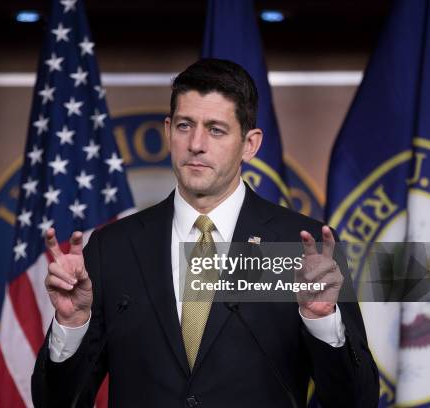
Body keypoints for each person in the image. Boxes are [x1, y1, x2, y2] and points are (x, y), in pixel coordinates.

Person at [31, 58, 379, 407]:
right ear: (168, 131)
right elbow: (56, 402)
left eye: (216, 129)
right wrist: (72, 325)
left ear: (250, 144)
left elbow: (357, 401)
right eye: (185, 126)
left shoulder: (303, 249)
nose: (196, 143)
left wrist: (322, 321)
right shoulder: (112, 248)